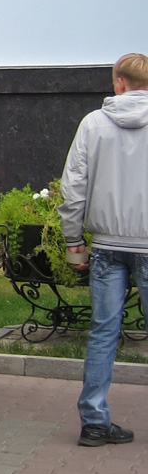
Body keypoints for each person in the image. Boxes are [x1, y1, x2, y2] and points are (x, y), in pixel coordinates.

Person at [58, 53, 148, 447]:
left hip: (107, 247)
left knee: (103, 333)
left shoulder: (93, 124)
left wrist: (72, 240)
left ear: (119, 82)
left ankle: (94, 422)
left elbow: (73, 186)